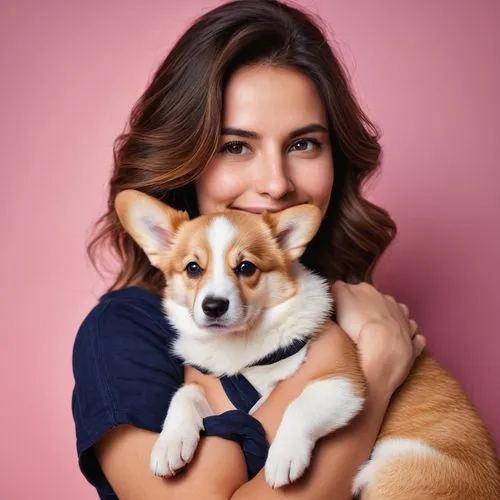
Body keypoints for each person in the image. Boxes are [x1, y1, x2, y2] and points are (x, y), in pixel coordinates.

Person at [71, 1, 426, 498]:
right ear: (186, 154)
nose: (276, 184)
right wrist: (374, 372)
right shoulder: (120, 335)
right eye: (236, 146)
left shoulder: (344, 301)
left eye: (303, 144)